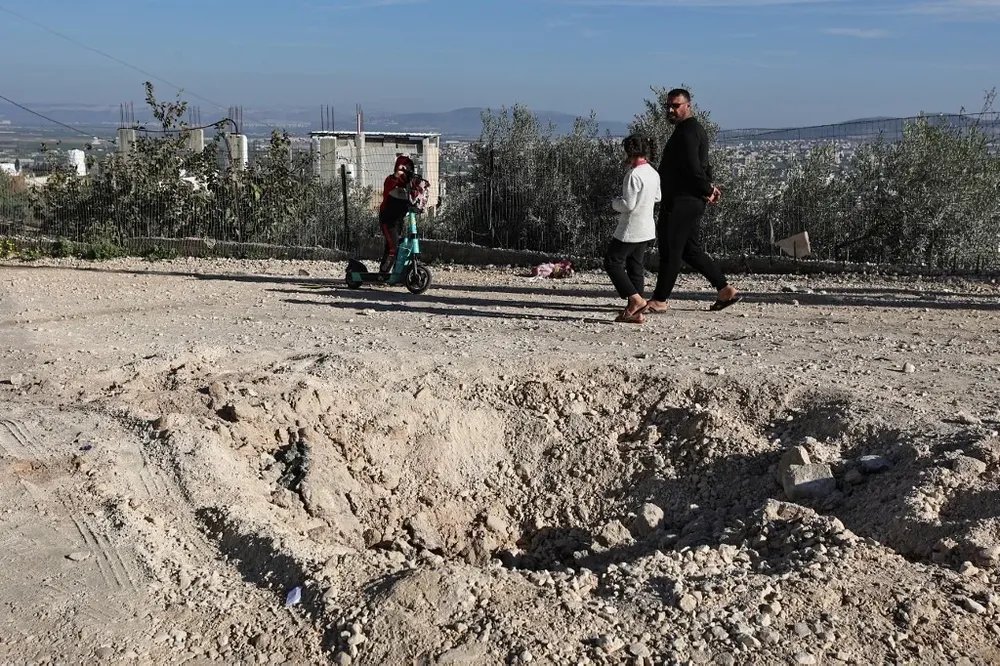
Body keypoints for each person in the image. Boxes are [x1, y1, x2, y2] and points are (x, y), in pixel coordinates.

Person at [644, 88, 740, 314]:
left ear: (688, 106)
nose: (670, 110)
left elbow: (692, 167)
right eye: (668, 106)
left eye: (675, 105)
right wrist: (708, 188)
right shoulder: (690, 130)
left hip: (681, 202)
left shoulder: (688, 131)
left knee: (670, 251)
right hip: (690, 200)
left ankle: (659, 300)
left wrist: (706, 188)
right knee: (690, 251)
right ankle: (725, 290)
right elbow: (702, 166)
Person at [605, 134, 660, 324]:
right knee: (635, 265)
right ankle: (634, 312)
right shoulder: (653, 172)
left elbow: (628, 205)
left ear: (629, 152)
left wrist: (614, 203)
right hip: (647, 226)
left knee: (612, 262)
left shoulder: (633, 175)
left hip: (631, 227)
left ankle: (636, 301)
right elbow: (657, 197)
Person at [378, 155, 415, 273]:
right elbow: (389, 185)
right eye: (404, 168)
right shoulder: (391, 180)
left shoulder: (409, 185)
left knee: (394, 246)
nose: (406, 171)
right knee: (393, 246)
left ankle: (392, 270)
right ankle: (384, 272)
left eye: (409, 168)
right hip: (388, 220)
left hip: (398, 221)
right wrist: (396, 175)